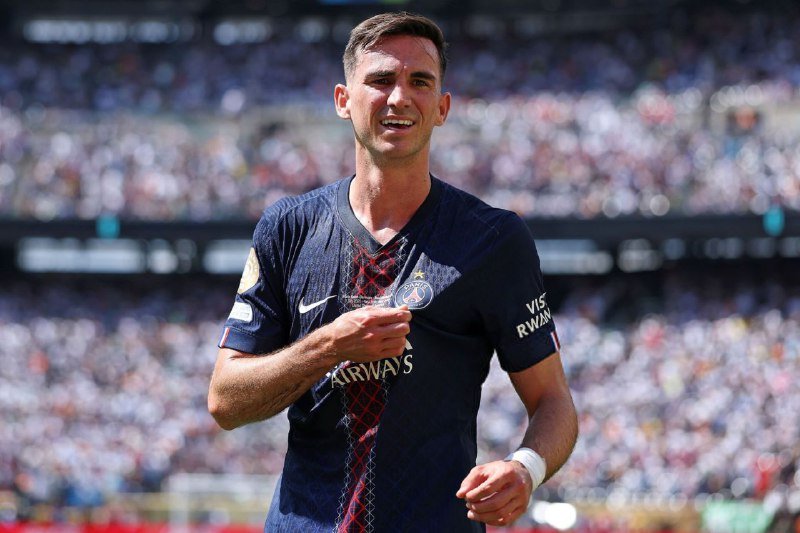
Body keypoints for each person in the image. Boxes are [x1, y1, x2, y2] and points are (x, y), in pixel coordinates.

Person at [208, 12, 578, 532]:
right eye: (381, 79)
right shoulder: (288, 227)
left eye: (420, 81)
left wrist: (526, 468)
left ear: (442, 107)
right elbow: (225, 401)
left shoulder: (493, 239)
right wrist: (329, 346)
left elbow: (553, 401)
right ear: (343, 100)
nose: (399, 97)